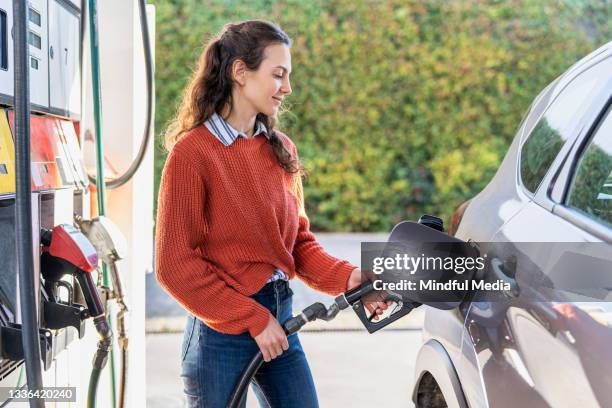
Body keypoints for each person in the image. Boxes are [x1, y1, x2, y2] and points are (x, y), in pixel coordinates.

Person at [155, 20, 389, 408]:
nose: (287, 87)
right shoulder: (193, 154)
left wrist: (350, 278)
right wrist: (252, 317)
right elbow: (174, 265)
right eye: (278, 74)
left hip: (280, 317)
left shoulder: (280, 149)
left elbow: (297, 244)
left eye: (288, 76)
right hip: (220, 333)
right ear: (240, 73)